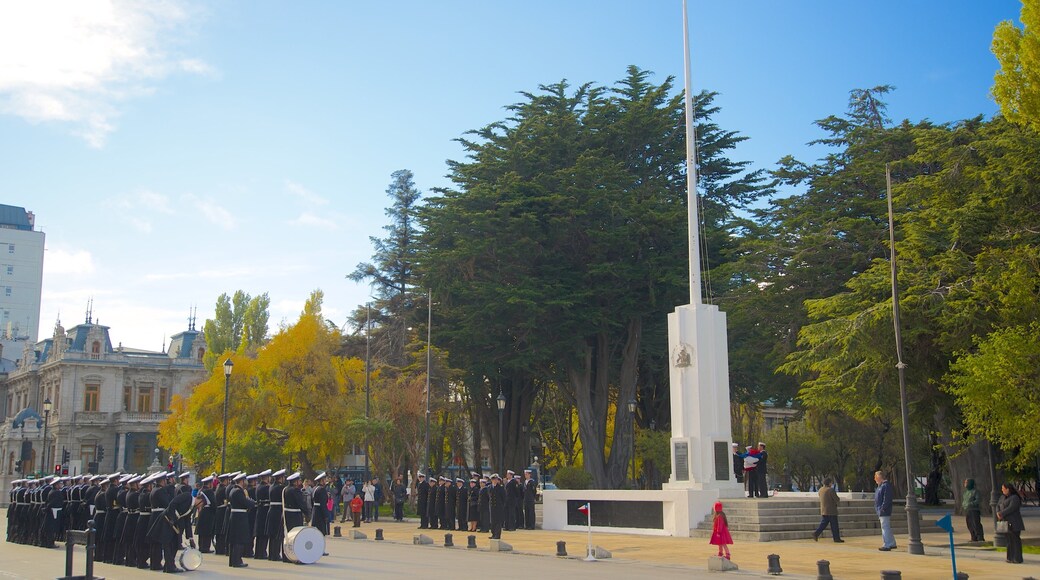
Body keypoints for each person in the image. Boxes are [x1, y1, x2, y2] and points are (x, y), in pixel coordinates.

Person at [997, 482, 1025, 564]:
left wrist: (1002, 513)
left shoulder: (1015, 498)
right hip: (1005, 522)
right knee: (1009, 540)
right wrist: (998, 512)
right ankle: (1010, 557)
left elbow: (1011, 508)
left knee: (1015, 540)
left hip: (1014, 522)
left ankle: (1017, 558)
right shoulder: (1002, 497)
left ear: (1008, 489)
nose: (1002, 490)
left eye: (1003, 489)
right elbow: (998, 505)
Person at [811, 478, 843, 543]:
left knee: (823, 524)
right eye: (831, 482)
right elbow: (836, 499)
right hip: (831, 510)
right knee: (834, 525)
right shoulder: (831, 490)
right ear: (829, 483)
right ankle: (836, 538)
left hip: (824, 510)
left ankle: (816, 533)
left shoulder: (820, 490)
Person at [874, 471, 896, 551]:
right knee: (886, 527)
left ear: (879, 477)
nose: (875, 479)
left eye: (876, 477)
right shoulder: (881, 486)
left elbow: (886, 499)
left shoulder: (885, 486)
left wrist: (882, 508)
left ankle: (887, 544)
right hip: (881, 509)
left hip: (884, 510)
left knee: (884, 527)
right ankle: (892, 542)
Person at [962, 478, 984, 542]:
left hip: (974, 510)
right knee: (969, 524)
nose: (965, 484)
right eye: (965, 482)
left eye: (966, 482)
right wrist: (964, 505)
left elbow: (978, 500)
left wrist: (970, 503)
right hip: (967, 510)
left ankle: (980, 537)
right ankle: (973, 537)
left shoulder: (976, 491)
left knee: (976, 523)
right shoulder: (966, 492)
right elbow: (964, 500)